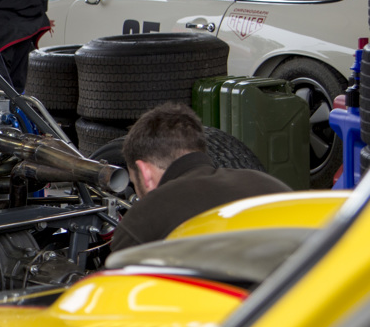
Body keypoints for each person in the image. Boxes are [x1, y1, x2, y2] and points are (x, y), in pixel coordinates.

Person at [109, 102, 291, 253]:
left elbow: (112, 290)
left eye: (135, 181)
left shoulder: (146, 217)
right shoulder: (270, 186)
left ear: (145, 172)